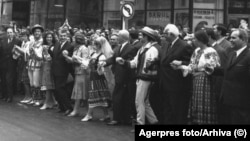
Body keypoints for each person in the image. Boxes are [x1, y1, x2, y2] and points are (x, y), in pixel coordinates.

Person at [116, 27, 159, 125]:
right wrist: (124, 62)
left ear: (147, 37)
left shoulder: (152, 49)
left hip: (145, 79)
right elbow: (134, 63)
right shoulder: (143, 49)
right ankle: (154, 121)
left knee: (139, 102)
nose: (139, 37)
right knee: (145, 102)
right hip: (142, 78)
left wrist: (146, 71)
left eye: (141, 35)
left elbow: (151, 66)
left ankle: (140, 123)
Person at [177, 30, 220, 124]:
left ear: (201, 40)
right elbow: (191, 66)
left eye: (195, 39)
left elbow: (212, 67)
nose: (193, 41)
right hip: (196, 81)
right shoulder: (196, 51)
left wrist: (198, 70)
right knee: (196, 103)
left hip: (206, 81)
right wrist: (181, 67)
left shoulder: (210, 51)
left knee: (205, 103)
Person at [159, 24, 194, 124]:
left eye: (165, 34)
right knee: (167, 110)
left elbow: (191, 63)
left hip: (177, 85)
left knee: (178, 111)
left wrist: (181, 63)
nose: (163, 36)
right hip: (165, 83)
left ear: (171, 34)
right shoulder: (166, 44)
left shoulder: (184, 46)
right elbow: (164, 60)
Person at [102, 30, 137, 125]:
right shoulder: (118, 47)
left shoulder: (131, 48)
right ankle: (118, 118)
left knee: (123, 98)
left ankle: (122, 119)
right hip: (118, 76)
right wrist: (105, 62)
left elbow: (131, 62)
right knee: (117, 98)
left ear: (123, 37)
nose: (117, 38)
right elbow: (113, 59)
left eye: (118, 37)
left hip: (126, 78)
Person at [220, 29, 250, 124]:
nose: (230, 40)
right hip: (228, 100)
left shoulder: (248, 55)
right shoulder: (232, 54)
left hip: (242, 103)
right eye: (230, 38)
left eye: (234, 38)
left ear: (244, 40)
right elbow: (227, 70)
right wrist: (212, 70)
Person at [81, 37, 111, 122]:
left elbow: (101, 70)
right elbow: (87, 63)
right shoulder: (93, 53)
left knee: (94, 95)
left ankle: (89, 114)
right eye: (94, 44)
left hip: (98, 77)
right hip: (93, 75)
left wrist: (99, 66)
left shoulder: (102, 56)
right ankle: (106, 114)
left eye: (97, 44)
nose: (94, 46)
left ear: (101, 45)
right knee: (100, 96)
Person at [63, 32, 89, 116]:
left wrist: (75, 58)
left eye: (74, 40)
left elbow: (85, 61)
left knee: (80, 92)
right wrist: (67, 57)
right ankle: (87, 112)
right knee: (81, 92)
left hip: (82, 72)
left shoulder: (83, 48)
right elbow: (73, 60)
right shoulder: (76, 48)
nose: (73, 41)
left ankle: (77, 110)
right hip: (77, 71)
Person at [49, 29, 74, 116]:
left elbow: (69, 59)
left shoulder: (70, 46)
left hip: (63, 71)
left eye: (64, 36)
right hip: (55, 70)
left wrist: (66, 55)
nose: (62, 37)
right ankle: (62, 107)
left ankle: (68, 107)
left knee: (61, 89)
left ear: (67, 37)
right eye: (61, 36)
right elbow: (54, 56)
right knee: (56, 90)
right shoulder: (57, 44)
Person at [0, 27, 22, 102]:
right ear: (6, 33)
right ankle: (4, 95)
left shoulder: (18, 41)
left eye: (11, 32)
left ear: (13, 33)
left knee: (9, 80)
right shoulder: (3, 41)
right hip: (3, 63)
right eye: (8, 32)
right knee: (3, 79)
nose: (9, 34)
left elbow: (19, 53)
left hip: (12, 63)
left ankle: (10, 96)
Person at [26, 24, 44, 106]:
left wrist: (34, 51)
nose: (37, 33)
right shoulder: (31, 42)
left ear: (41, 33)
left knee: (37, 83)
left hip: (38, 64)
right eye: (35, 31)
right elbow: (28, 53)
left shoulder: (43, 42)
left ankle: (39, 99)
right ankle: (33, 98)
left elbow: (40, 56)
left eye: (39, 31)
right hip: (30, 63)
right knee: (31, 83)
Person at [40, 31, 57, 110]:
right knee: (46, 85)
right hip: (45, 66)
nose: (49, 39)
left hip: (51, 66)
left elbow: (50, 58)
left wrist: (46, 51)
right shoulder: (44, 46)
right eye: (47, 37)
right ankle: (52, 101)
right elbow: (43, 58)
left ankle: (47, 103)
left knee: (48, 86)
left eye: (50, 37)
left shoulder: (54, 46)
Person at [13, 31, 32, 104]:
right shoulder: (23, 43)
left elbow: (26, 53)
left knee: (26, 80)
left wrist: (18, 48)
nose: (23, 37)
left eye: (24, 36)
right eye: (22, 36)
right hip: (22, 62)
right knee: (23, 80)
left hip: (26, 62)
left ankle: (29, 96)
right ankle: (26, 96)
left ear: (27, 36)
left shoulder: (29, 43)